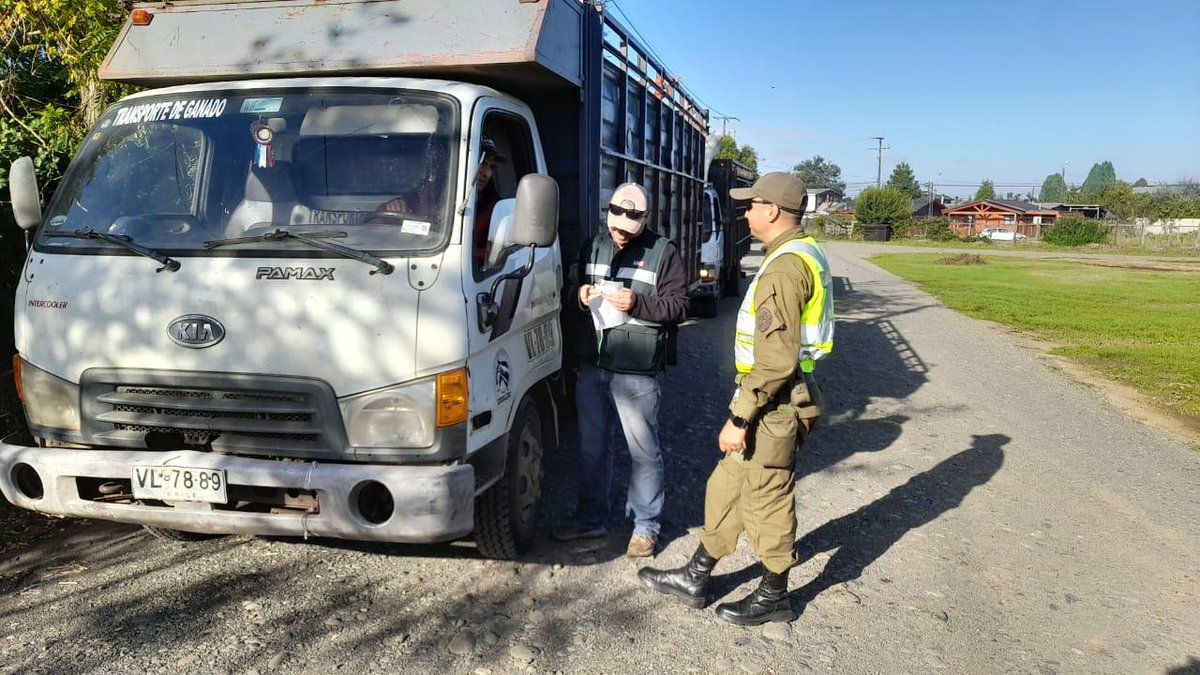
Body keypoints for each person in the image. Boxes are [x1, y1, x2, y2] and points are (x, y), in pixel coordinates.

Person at [638, 172, 834, 625]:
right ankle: (697, 574)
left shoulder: (786, 267)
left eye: (752, 204)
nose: (745, 212)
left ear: (772, 211)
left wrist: (741, 418)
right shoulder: (794, 254)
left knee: (768, 500)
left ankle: (774, 595)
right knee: (726, 488)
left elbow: (777, 360)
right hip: (769, 399)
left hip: (775, 406)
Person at [554, 183, 690, 558]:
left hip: (638, 370)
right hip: (593, 364)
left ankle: (646, 527)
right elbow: (567, 294)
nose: (620, 234)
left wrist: (638, 303)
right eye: (615, 226)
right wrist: (579, 297)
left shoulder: (664, 253)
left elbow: (679, 306)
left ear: (645, 220)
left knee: (643, 451)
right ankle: (590, 521)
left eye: (629, 229)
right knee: (592, 450)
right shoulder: (592, 245)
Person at [376, 135, 505, 268]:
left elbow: (497, 256)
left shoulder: (494, 208)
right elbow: (381, 219)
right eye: (482, 163)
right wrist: (393, 206)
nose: (487, 173)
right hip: (411, 263)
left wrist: (469, 253)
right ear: (458, 162)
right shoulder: (430, 193)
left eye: (491, 167)